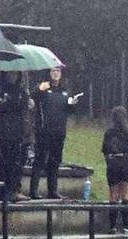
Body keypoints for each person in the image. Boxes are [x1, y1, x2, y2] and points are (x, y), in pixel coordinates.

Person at [31, 67, 80, 199]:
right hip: (43, 131)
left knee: (55, 161)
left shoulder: (65, 90)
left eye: (58, 71)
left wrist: (73, 104)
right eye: (53, 71)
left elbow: (69, 111)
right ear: (49, 73)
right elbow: (32, 99)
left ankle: (53, 191)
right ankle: (33, 191)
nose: (55, 73)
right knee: (39, 161)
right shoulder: (43, 87)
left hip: (59, 132)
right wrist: (39, 90)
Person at [0, 71, 33, 202]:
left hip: (17, 132)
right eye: (10, 73)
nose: (13, 76)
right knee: (2, 163)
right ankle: (2, 191)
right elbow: (0, 107)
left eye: (15, 74)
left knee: (16, 163)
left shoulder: (21, 90)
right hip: (2, 132)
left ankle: (14, 190)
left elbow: (23, 107)